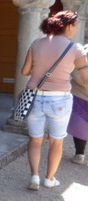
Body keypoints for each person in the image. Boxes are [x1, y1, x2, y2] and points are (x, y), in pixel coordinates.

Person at [21, 10, 88, 190]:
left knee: (35, 139)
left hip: (34, 97)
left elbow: (25, 71)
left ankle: (34, 177)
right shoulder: (76, 48)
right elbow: (86, 79)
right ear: (69, 26)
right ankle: (49, 179)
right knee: (56, 141)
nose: (76, 29)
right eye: (76, 25)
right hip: (59, 99)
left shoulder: (36, 43)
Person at [67, 63, 88, 164]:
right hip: (80, 94)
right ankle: (79, 154)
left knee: (80, 125)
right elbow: (74, 71)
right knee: (80, 125)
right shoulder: (83, 56)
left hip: (80, 93)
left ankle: (79, 154)